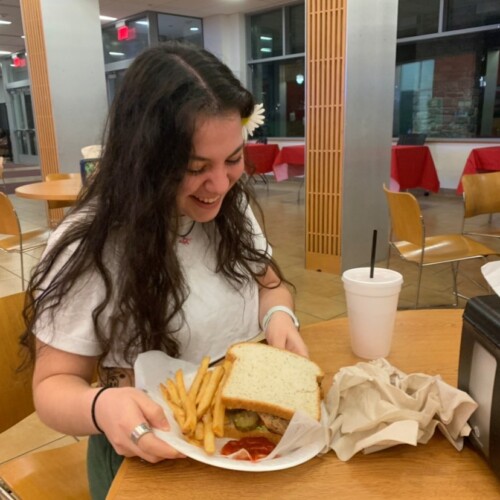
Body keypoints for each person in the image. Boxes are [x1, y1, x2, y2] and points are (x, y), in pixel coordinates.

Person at [20, 42, 308, 498]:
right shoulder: (89, 245)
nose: (220, 184)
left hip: (236, 445)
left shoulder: (229, 209)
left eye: (233, 159)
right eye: (196, 168)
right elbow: (52, 388)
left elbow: (270, 285)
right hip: (144, 457)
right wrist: (101, 406)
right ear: (145, 161)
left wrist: (279, 317)